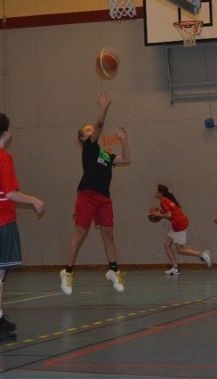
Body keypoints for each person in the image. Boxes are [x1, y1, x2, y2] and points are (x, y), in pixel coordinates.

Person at [0, 112, 45, 342]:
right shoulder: (3, 158)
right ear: (5, 133)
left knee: (0, 271)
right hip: (0, 221)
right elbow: (10, 192)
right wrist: (34, 200)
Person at [60, 91, 130, 295]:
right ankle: (67, 272)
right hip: (87, 195)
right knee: (80, 234)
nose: (92, 130)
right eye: (88, 130)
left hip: (104, 198)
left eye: (91, 129)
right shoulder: (89, 148)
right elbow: (99, 125)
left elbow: (126, 159)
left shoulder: (104, 155)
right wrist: (104, 107)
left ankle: (113, 271)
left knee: (108, 234)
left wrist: (124, 140)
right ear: (83, 138)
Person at [150, 184, 212, 275]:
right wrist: (161, 213)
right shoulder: (167, 200)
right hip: (180, 223)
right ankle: (175, 268)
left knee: (179, 249)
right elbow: (172, 213)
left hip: (178, 224)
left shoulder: (163, 201)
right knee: (167, 245)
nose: (154, 192)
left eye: (156, 190)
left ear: (161, 193)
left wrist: (159, 215)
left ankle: (202, 254)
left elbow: (169, 215)